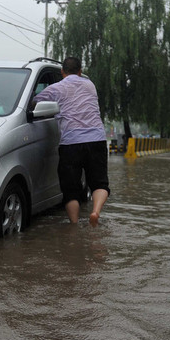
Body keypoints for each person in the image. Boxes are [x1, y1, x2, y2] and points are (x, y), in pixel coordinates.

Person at [32, 56, 110, 226]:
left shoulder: (57, 88)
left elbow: (34, 102)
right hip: (96, 139)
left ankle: (74, 226)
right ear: (80, 71)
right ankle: (95, 212)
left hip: (71, 142)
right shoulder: (90, 85)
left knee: (70, 190)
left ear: (62, 72)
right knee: (99, 183)